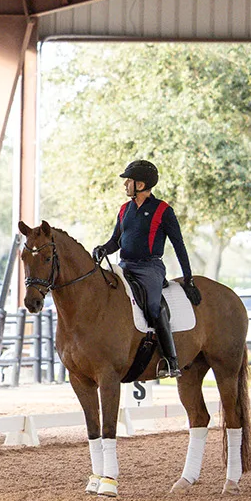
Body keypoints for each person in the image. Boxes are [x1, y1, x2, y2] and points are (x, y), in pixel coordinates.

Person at [92, 159, 201, 378]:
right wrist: (103, 248)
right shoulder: (124, 210)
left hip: (150, 268)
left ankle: (171, 360)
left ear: (140, 185)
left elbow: (179, 245)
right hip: (125, 266)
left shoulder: (163, 210)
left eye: (128, 181)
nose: (125, 185)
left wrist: (188, 279)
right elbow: (116, 241)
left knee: (153, 306)